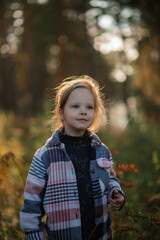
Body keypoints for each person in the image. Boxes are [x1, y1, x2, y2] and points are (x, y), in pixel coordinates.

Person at [20, 75, 125, 240]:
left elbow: (110, 179)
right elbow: (31, 207)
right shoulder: (45, 156)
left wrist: (116, 192)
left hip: (99, 234)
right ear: (61, 113)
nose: (83, 111)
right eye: (75, 106)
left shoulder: (101, 151)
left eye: (89, 107)